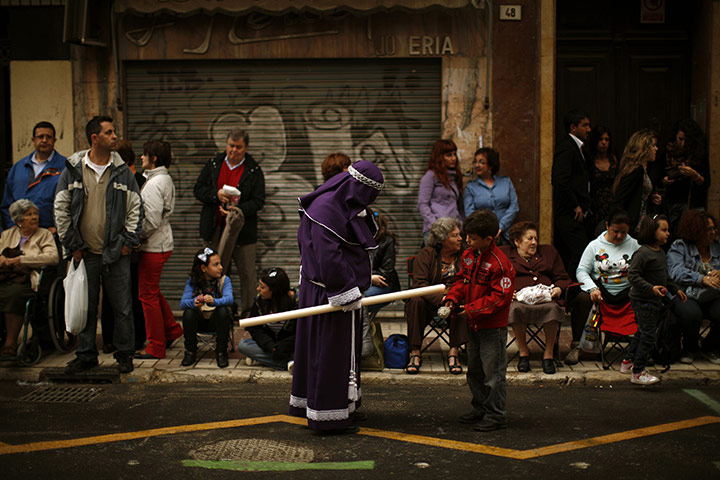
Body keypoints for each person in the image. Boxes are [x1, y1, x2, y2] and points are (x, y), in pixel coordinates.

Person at [289, 160, 383, 434]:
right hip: (328, 293)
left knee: (342, 353)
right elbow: (327, 257)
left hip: (335, 290)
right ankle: (327, 415)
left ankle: (342, 405)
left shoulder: (343, 206)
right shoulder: (325, 209)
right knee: (328, 352)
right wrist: (344, 290)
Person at [54, 115, 143, 374]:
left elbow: (135, 208)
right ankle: (86, 354)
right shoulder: (73, 169)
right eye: (109, 133)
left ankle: (124, 354)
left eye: (114, 132)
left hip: (116, 251)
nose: (115, 136)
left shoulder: (123, 171)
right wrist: (72, 245)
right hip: (85, 252)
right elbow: (61, 207)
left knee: (122, 306)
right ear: (95, 138)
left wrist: (127, 242)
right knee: (86, 304)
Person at [444, 209, 515, 432]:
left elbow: (499, 299)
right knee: (474, 370)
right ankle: (480, 408)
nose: (467, 241)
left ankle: (496, 414)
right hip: (473, 324)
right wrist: (452, 299)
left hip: (492, 327)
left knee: (493, 373)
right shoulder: (468, 255)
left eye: (472, 238)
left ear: (488, 239)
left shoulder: (500, 264)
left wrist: (471, 310)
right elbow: (460, 281)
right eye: (467, 236)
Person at [193, 128, 265, 317]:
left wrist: (239, 209)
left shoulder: (253, 169)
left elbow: (259, 200)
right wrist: (215, 194)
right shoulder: (214, 164)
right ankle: (218, 312)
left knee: (247, 274)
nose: (234, 151)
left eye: (238, 147)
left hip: (243, 232)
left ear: (246, 148)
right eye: (231, 146)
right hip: (214, 229)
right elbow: (198, 189)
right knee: (213, 273)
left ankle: (248, 314)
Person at [568, 209, 640, 365]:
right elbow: (581, 271)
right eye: (615, 231)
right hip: (601, 292)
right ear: (607, 226)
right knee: (582, 299)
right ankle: (576, 345)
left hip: (628, 294)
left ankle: (642, 348)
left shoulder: (635, 245)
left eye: (624, 232)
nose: (620, 236)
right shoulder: (594, 246)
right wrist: (592, 288)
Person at [499, 221, 572, 374]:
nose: (534, 243)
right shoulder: (505, 254)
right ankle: (523, 352)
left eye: (536, 239)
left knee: (552, 309)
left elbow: (562, 277)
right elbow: (496, 278)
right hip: (519, 300)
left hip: (545, 299)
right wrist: (506, 291)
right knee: (515, 309)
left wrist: (558, 288)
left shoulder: (548, 252)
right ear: (517, 242)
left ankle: (549, 355)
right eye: (530, 239)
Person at [134, 141, 183, 360]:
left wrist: (136, 237)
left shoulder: (154, 184)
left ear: (153, 158)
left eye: (145, 155)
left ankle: (155, 346)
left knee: (146, 295)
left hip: (154, 245)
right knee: (152, 290)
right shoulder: (162, 179)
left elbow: (151, 221)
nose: (141, 158)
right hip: (161, 243)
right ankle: (171, 329)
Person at [624, 215, 687, 385]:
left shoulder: (660, 252)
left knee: (642, 331)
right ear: (652, 231)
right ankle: (637, 372)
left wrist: (676, 289)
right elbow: (633, 275)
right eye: (664, 230)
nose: (668, 234)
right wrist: (650, 288)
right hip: (642, 300)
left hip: (654, 302)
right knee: (649, 336)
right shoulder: (643, 253)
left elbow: (665, 276)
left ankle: (628, 361)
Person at [404, 217, 466, 375]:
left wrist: (451, 297)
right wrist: (442, 299)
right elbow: (419, 284)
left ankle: (454, 352)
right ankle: (415, 352)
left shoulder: (465, 254)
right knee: (415, 301)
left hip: (456, 297)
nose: (460, 239)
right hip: (430, 300)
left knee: (461, 302)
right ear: (442, 239)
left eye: (460, 235)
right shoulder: (427, 254)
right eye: (455, 235)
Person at [100, 139, 146, 354]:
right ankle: (110, 339)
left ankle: (134, 339)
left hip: (126, 246)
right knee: (109, 297)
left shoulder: (136, 180)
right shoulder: (106, 178)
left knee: (130, 294)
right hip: (106, 245)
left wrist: (129, 241)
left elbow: (137, 213)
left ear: (126, 160)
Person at [0, 200, 58, 357]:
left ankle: (10, 343)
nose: (34, 217)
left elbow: (53, 257)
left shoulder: (44, 234)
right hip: (5, 276)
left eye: (35, 214)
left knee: (14, 295)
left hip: (27, 279)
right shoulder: (7, 235)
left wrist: (22, 260)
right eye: (29, 215)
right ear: (19, 221)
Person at [667, 209, 720, 364]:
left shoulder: (717, 246)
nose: (713, 232)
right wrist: (701, 278)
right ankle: (690, 347)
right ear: (696, 231)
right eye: (708, 229)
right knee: (692, 314)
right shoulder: (680, 247)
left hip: (712, 294)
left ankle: (710, 347)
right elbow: (675, 272)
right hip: (686, 293)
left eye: (714, 228)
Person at [1, 121, 66, 232]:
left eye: (48, 137)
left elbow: (72, 204)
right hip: (20, 235)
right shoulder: (18, 167)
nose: (44, 140)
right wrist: (12, 226)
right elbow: (7, 203)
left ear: (54, 141)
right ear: (33, 140)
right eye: (40, 137)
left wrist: (59, 228)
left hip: (51, 235)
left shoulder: (65, 167)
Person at [552, 109, 592, 280]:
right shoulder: (567, 148)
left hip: (579, 212)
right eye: (585, 125)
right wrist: (574, 204)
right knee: (579, 254)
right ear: (573, 127)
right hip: (569, 214)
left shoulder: (580, 148)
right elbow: (560, 180)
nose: (589, 129)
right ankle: (570, 293)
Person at [179, 247, 234, 368]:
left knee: (223, 310)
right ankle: (190, 351)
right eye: (215, 265)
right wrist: (194, 302)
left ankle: (221, 352)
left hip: (218, 322)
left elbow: (230, 299)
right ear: (203, 268)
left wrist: (215, 301)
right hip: (199, 321)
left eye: (220, 263)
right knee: (188, 312)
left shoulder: (224, 280)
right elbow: (182, 304)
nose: (220, 267)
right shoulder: (192, 282)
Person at [238, 267, 297, 370]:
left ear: (274, 291)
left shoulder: (296, 301)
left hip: (290, 346)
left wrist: (284, 346)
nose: (258, 289)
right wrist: (270, 346)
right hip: (271, 346)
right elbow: (254, 328)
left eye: (262, 287)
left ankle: (266, 360)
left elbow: (303, 331)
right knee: (243, 345)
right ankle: (289, 363)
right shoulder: (259, 301)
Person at [361, 212, 400, 361]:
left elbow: (386, 272)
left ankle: (365, 344)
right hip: (366, 282)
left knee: (361, 301)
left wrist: (366, 277)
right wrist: (369, 277)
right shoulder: (358, 240)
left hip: (385, 285)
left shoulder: (387, 241)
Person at [609, 129, 662, 233]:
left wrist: (652, 197)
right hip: (633, 226)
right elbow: (621, 199)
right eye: (653, 145)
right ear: (644, 148)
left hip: (642, 224)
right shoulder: (636, 170)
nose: (656, 149)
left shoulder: (647, 168)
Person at [662, 119, 710, 232]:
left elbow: (706, 183)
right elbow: (657, 175)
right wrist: (665, 181)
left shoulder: (699, 154)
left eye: (686, 140)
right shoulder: (669, 152)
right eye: (680, 139)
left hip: (693, 204)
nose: (682, 144)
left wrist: (694, 174)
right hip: (672, 204)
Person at [463, 148, 519, 243]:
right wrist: (487, 232)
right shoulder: (471, 187)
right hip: (483, 238)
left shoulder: (505, 182)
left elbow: (514, 207)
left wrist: (500, 228)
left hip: (506, 234)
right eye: (475, 162)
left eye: (481, 162)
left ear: (491, 165)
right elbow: (470, 213)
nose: (477, 165)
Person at [417, 139, 464, 242]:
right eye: (449, 155)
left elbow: (459, 206)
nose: (453, 158)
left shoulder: (455, 177)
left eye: (454, 154)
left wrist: (461, 223)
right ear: (440, 157)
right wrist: (434, 225)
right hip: (436, 231)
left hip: (454, 230)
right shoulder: (430, 176)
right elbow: (422, 204)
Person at [586, 125, 618, 235]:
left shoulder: (613, 159)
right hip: (595, 204)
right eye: (600, 139)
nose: (604, 142)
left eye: (606, 139)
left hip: (611, 202)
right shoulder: (590, 160)